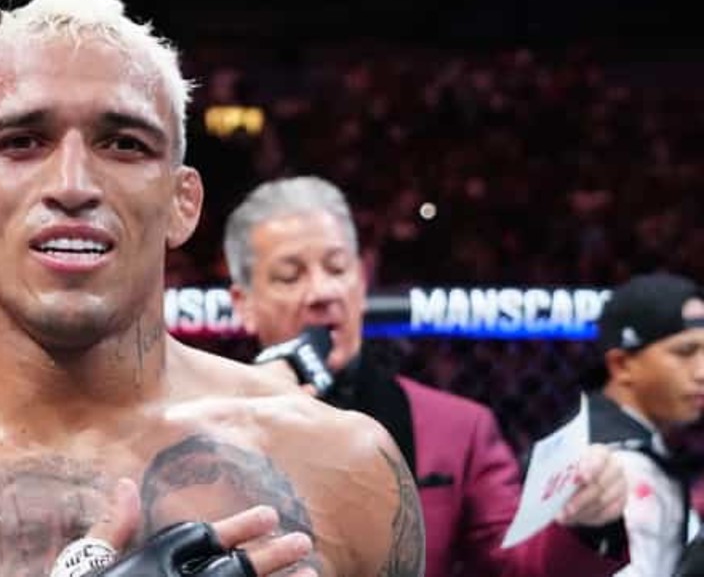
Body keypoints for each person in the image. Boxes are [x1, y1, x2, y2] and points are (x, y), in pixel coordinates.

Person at [0, 0, 424, 577]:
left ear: (183, 202)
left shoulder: (340, 466)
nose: (72, 184)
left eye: (124, 143)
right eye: (21, 142)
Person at [222, 175, 631, 577]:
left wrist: (587, 522)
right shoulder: (209, 428)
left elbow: (517, 565)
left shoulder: (457, 429)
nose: (322, 292)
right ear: (244, 303)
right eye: (290, 276)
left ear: (361, 280)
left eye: (336, 268)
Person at [585, 272, 704, 576]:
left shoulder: (615, 437)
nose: (702, 372)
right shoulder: (615, 463)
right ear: (622, 364)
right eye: (685, 352)